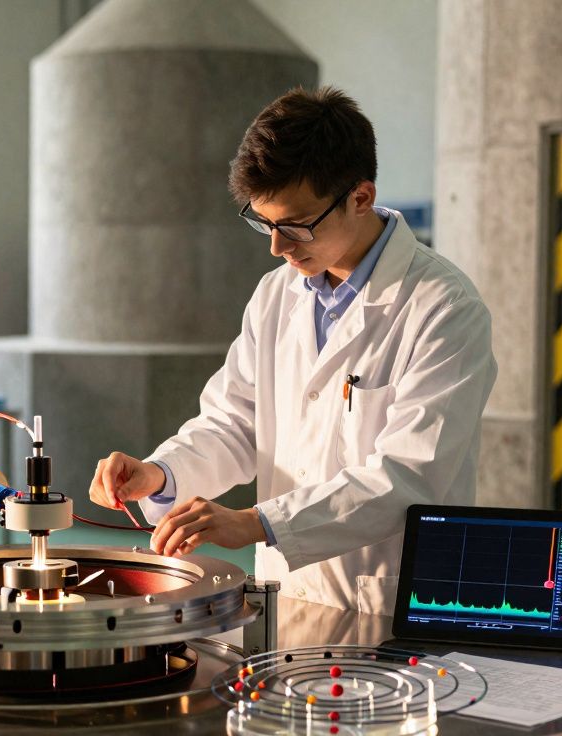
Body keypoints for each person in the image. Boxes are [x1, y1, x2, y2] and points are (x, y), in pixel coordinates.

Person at [88, 87, 497, 614]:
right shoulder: (276, 294)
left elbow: (408, 477)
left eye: (296, 224)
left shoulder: (444, 307)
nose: (277, 247)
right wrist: (160, 474)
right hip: (285, 595)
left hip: (388, 600)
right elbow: (234, 423)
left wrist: (258, 522)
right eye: (264, 223)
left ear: (361, 197)